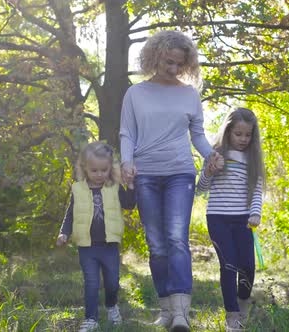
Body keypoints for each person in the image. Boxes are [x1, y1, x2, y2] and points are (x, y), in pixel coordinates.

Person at [119, 30, 222, 332]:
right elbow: (127, 133)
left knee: (177, 239)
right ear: (154, 57)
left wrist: (210, 157)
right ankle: (165, 308)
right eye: (168, 62)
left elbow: (198, 136)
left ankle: (181, 314)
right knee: (156, 245)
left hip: (180, 172)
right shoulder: (135, 94)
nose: (174, 69)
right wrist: (127, 162)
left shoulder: (189, 94)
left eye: (179, 64)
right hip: (146, 174)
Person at [196, 107, 265, 332]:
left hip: (243, 219)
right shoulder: (216, 153)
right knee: (229, 264)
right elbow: (201, 188)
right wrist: (209, 171)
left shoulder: (252, 159)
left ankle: (243, 307)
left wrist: (255, 213)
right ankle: (232, 316)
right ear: (228, 132)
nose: (243, 139)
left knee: (247, 266)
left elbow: (257, 190)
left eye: (248, 135)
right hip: (217, 218)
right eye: (238, 134)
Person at [56, 141, 136, 332]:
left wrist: (131, 185)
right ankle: (91, 318)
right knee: (91, 283)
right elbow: (70, 213)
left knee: (112, 282)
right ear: (85, 169)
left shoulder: (114, 187)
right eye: (94, 170)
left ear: (110, 168)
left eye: (104, 170)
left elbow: (129, 205)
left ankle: (111, 306)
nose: (100, 174)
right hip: (87, 247)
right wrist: (63, 232)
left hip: (109, 247)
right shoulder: (78, 189)